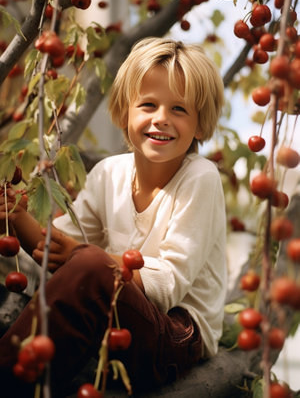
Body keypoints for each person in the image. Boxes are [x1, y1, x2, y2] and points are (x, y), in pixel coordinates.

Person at [0, 37, 227, 396]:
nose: (161, 119)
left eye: (179, 110)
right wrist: (15, 217)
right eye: (148, 104)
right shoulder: (109, 173)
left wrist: (86, 258)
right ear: (124, 113)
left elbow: (167, 285)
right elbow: (57, 250)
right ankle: (20, 374)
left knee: (90, 265)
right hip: (118, 322)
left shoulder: (201, 177)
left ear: (200, 125)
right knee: (85, 269)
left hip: (176, 335)